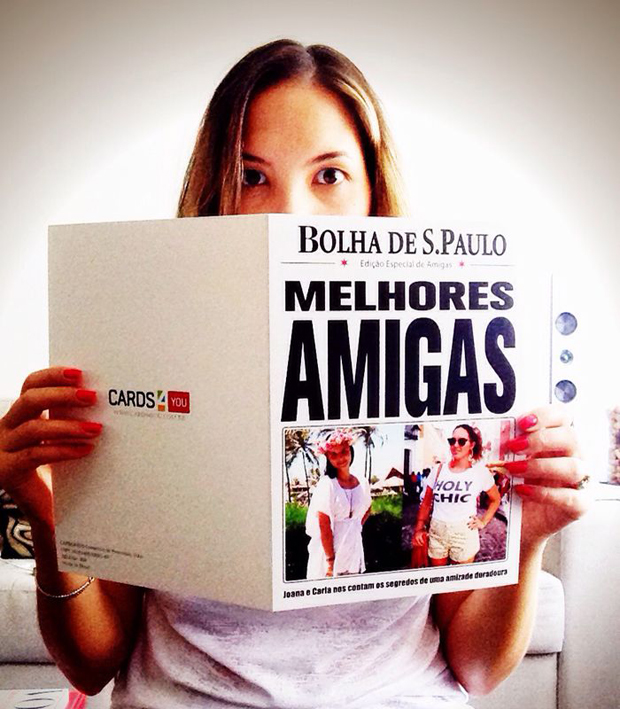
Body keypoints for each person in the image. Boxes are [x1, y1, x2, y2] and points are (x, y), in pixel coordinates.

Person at [0, 39, 590, 707]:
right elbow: (90, 666)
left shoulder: (442, 366)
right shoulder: (142, 345)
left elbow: (479, 670)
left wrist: (526, 538)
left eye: (329, 175)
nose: (290, 212)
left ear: (373, 193)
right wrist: (48, 516)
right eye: (251, 175)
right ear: (214, 191)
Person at [413, 425, 501, 566]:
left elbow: (495, 499)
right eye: (452, 441)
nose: (455, 445)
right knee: (439, 576)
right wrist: (418, 528)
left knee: (459, 577)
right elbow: (426, 503)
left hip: (463, 534)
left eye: (461, 441)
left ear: (472, 445)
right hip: (437, 532)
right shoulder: (438, 470)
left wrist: (483, 521)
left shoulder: (480, 473)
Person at [305, 430, 372, 579]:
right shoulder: (327, 484)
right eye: (333, 455)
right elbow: (323, 523)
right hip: (330, 550)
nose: (340, 458)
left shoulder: (362, 482)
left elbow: (368, 508)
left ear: (350, 450)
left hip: (353, 548)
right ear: (328, 458)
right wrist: (330, 560)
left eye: (343, 452)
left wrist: (353, 526)